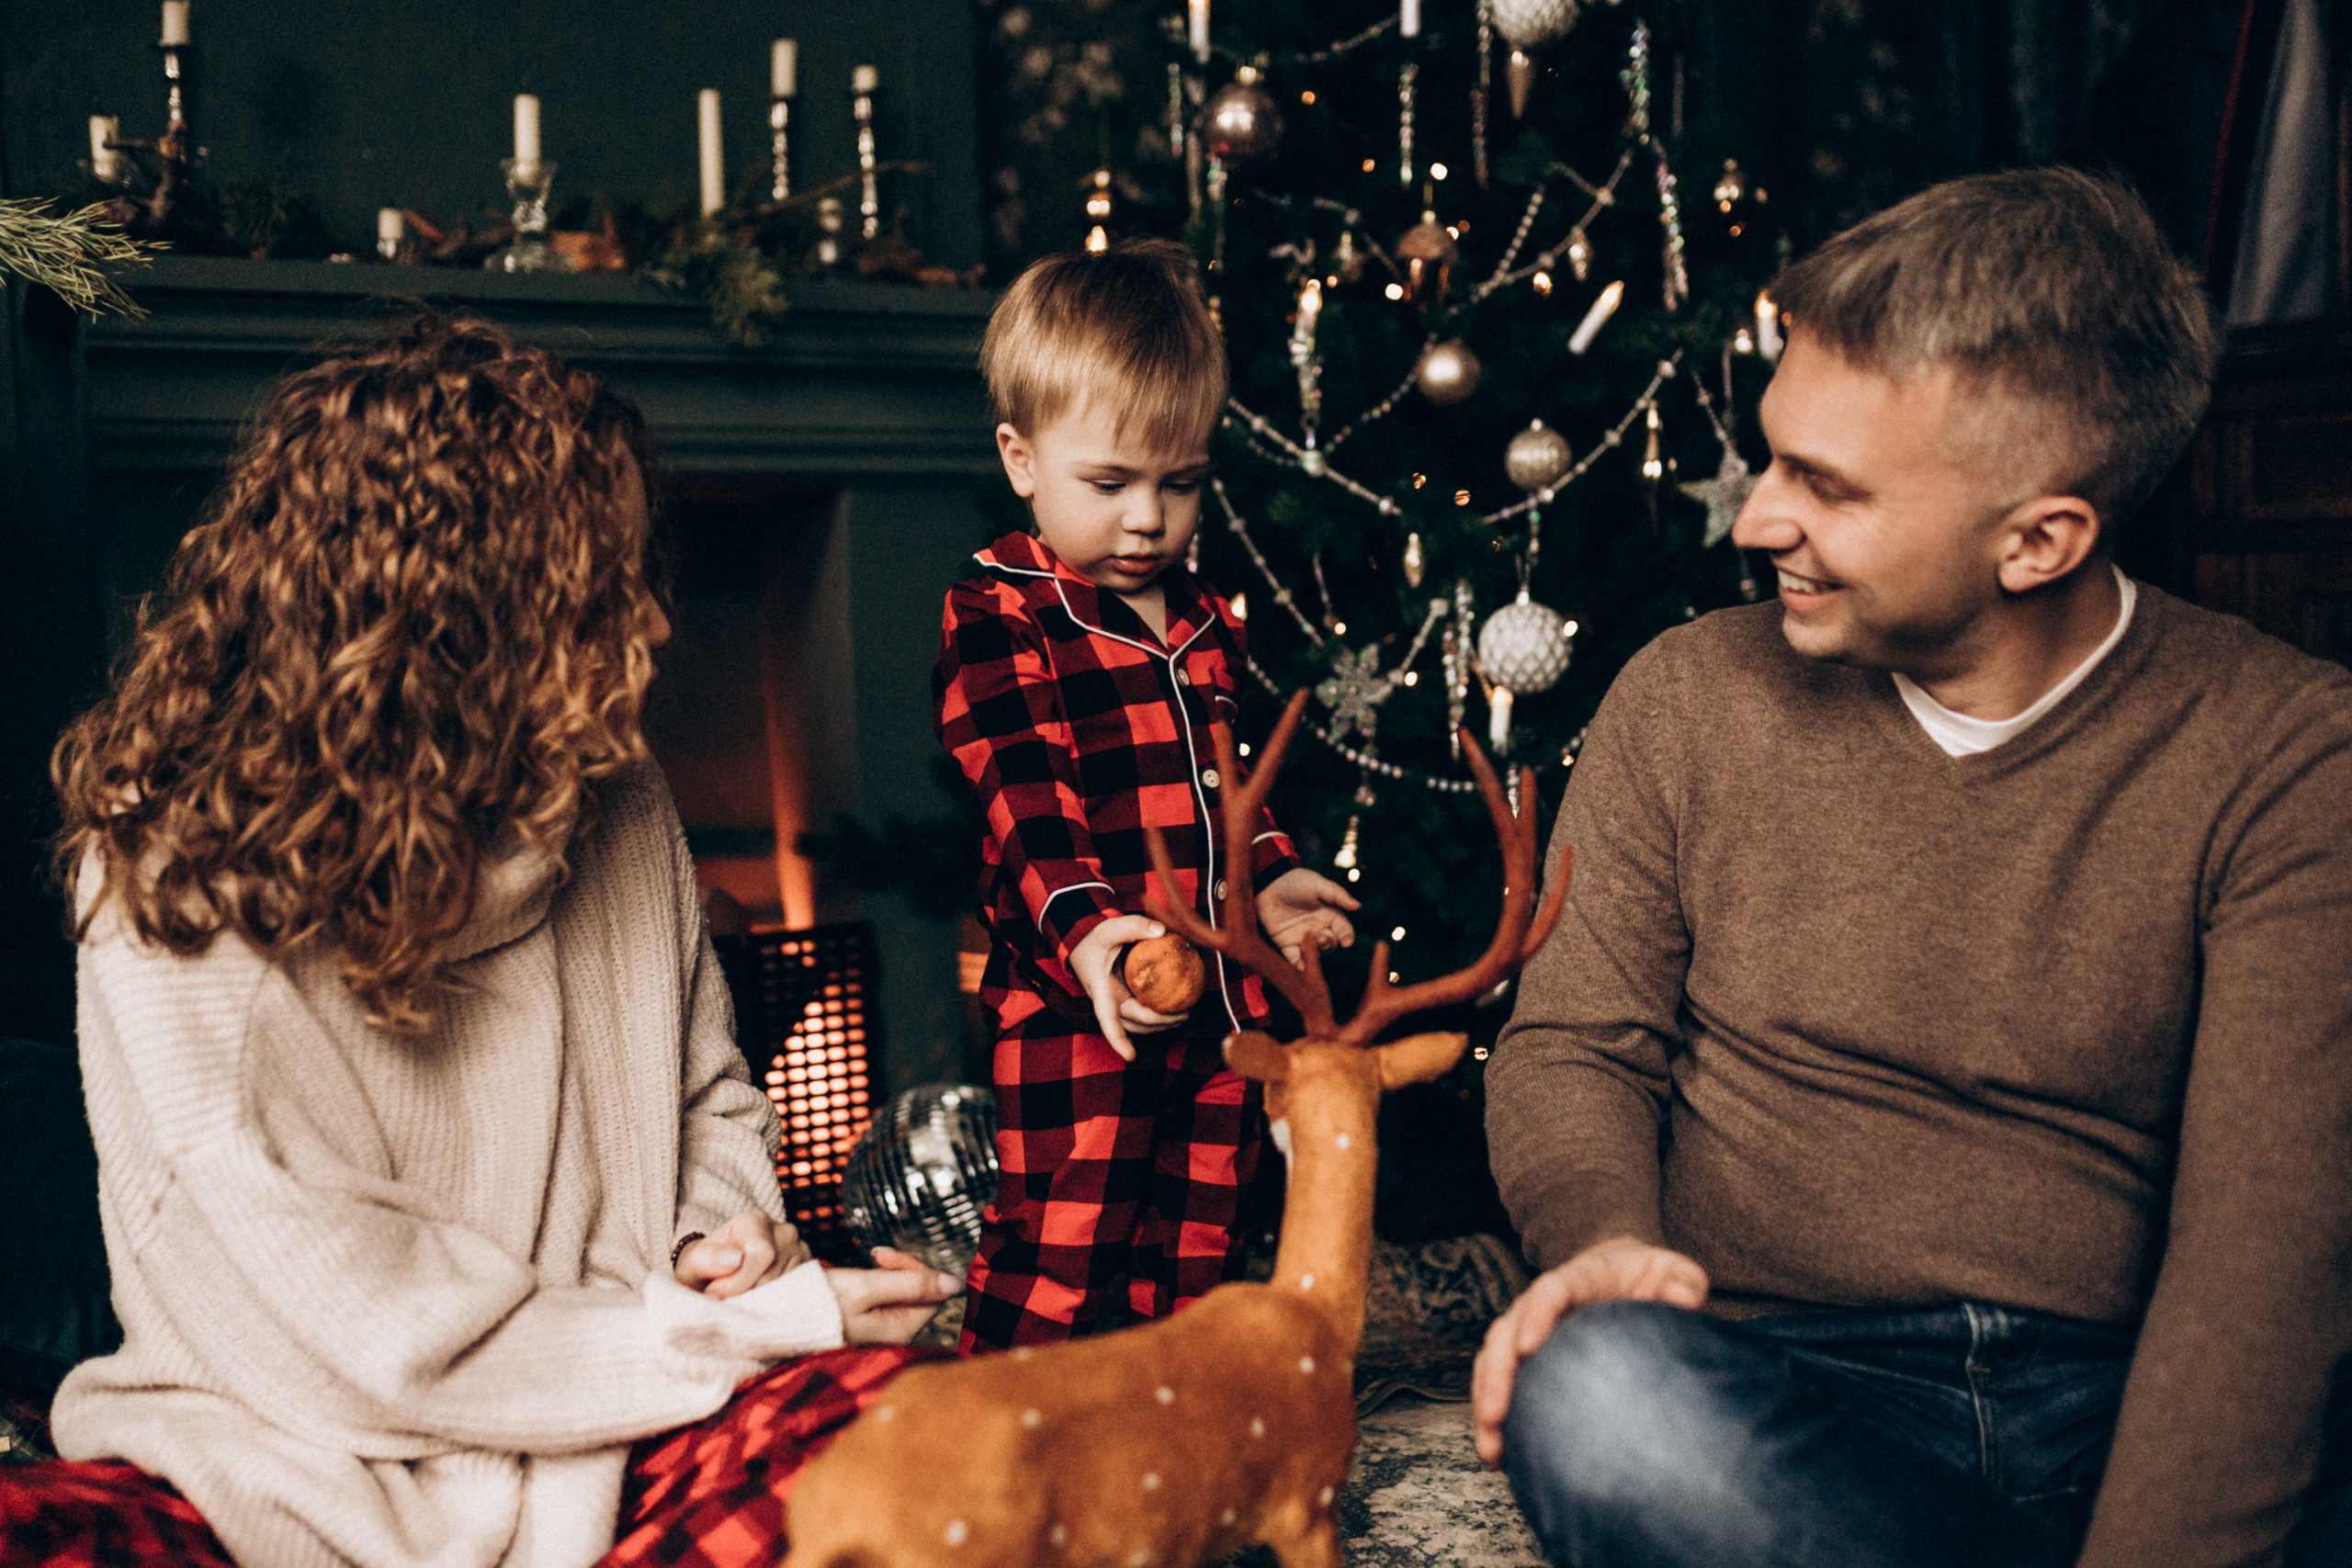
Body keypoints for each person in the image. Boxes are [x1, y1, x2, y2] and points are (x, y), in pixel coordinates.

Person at [1475, 169, 2352, 1567]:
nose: (1758, 519)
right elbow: (1574, 1046)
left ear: (2040, 539)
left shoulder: (2291, 748)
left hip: (2130, 1385)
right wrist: (1604, 1250)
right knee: (1603, 1399)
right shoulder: (1688, 694)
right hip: (1789, 1380)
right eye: (1772, 458)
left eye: (1826, 487)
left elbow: (2266, 1261)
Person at [23, 314, 960, 1568]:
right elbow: (363, 1331)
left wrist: (716, 1235)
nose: (660, 629)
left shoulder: (613, 795)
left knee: (928, 1446)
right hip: (300, 1456)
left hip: (635, 1407)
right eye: (609, 589)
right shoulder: (172, 893)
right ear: (459, 612)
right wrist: (753, 1327)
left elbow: (709, 1093)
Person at [935, 240, 1359, 1352]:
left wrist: (1269, 878)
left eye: (1180, 485)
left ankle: (1171, 1458)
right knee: (1062, 1248)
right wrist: (1089, 936)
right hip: (1084, 1012)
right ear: (1021, 460)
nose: (1146, 521)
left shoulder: (1208, 622)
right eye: (1109, 484)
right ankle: (1012, 1447)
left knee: (1200, 1248)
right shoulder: (1003, 612)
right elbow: (1023, 797)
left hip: (1222, 1000)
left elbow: (1233, 790)